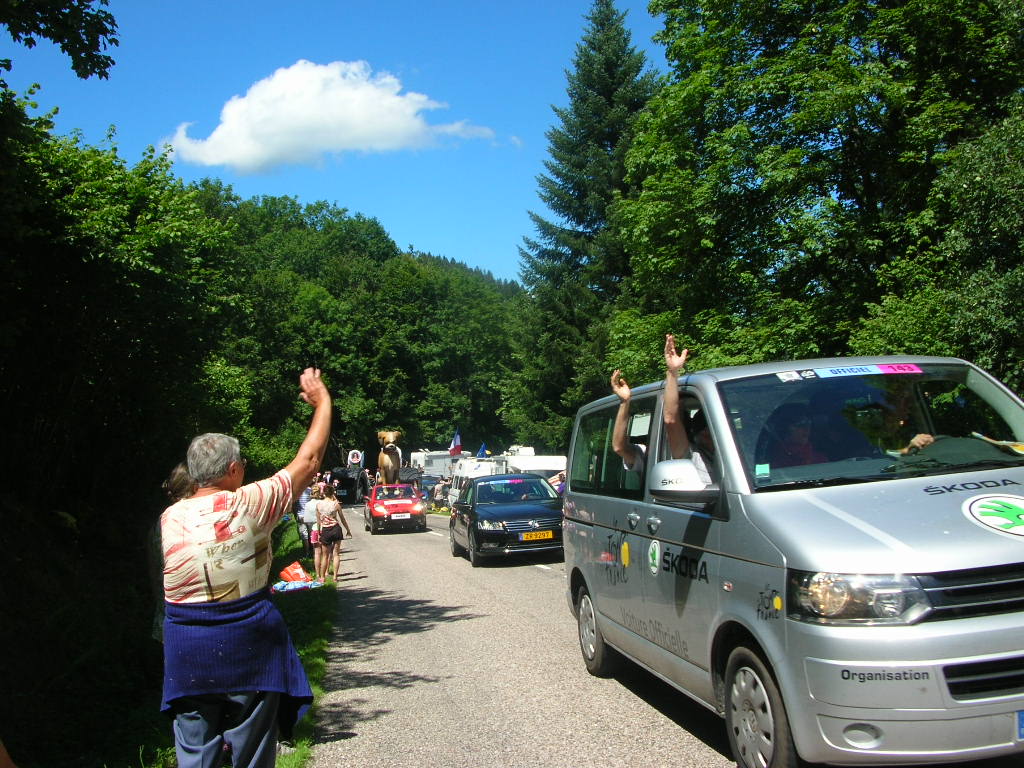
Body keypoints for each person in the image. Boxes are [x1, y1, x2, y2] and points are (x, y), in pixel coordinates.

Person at [160, 367, 331, 768]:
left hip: (186, 654)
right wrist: (323, 402)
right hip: (248, 647)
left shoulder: (169, 518)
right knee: (250, 753)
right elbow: (309, 459)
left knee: (195, 754)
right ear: (234, 470)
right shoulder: (251, 503)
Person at [611, 334, 713, 484]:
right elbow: (619, 447)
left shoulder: (727, 454)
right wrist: (624, 403)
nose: (671, 429)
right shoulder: (652, 454)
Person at [316, 484, 348, 582]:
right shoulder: (336, 504)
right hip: (336, 528)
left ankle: (322, 577)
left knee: (324, 555)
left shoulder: (318, 505)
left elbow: (318, 521)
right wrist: (348, 529)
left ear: (323, 493)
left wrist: (318, 532)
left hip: (325, 529)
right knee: (336, 554)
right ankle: (335, 577)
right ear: (333, 492)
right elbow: (342, 518)